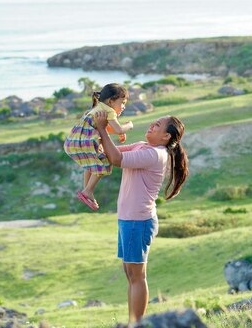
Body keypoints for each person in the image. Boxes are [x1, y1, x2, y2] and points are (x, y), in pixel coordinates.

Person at [93, 111, 189, 323]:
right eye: (153, 123)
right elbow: (109, 153)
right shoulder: (142, 146)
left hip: (138, 221)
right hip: (129, 219)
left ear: (166, 137)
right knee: (131, 275)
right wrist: (97, 131)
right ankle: (132, 322)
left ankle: (137, 323)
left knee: (137, 277)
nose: (152, 126)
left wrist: (102, 128)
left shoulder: (155, 155)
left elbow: (116, 159)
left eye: (158, 125)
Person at [64, 83, 134, 210]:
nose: (123, 107)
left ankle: (87, 191)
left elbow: (104, 126)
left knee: (91, 163)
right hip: (86, 143)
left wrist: (119, 132)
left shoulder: (97, 107)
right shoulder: (110, 111)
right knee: (104, 162)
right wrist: (128, 126)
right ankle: (88, 191)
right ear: (111, 101)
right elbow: (117, 129)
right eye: (122, 102)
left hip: (73, 143)